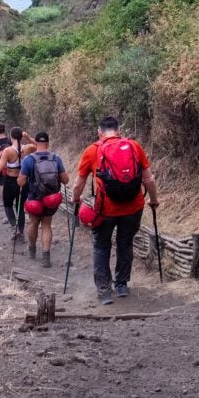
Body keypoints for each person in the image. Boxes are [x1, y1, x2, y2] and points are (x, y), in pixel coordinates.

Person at [70, 116, 159, 304]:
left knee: (101, 246)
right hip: (133, 207)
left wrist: (75, 199)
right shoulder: (134, 146)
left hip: (105, 210)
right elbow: (148, 179)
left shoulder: (92, 151)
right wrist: (153, 200)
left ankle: (104, 291)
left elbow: (79, 183)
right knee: (125, 243)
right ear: (119, 130)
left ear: (99, 132)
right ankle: (121, 285)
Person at [18, 131, 68, 268]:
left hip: (34, 199)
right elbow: (66, 180)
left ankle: (32, 249)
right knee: (47, 225)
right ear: (47, 143)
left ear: (36, 143)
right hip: (51, 199)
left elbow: (21, 182)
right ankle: (46, 256)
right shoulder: (56, 158)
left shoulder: (29, 159)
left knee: (33, 223)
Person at [0, 126, 36, 238]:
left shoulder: (7, 151)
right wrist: (28, 138)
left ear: (11, 136)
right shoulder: (27, 148)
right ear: (21, 136)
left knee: (7, 204)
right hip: (23, 180)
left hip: (11, 181)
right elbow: (39, 146)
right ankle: (21, 231)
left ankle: (15, 226)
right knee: (20, 206)